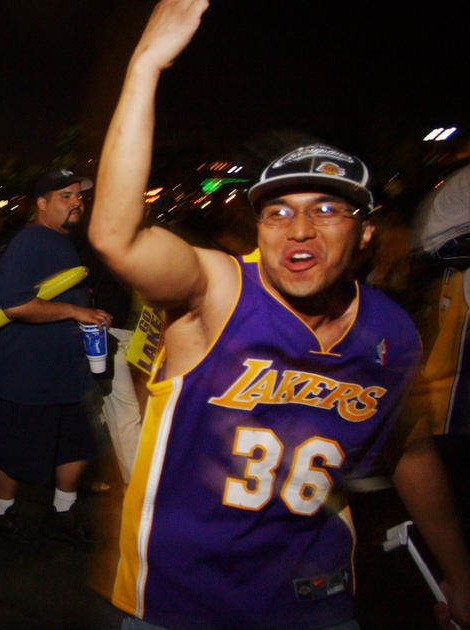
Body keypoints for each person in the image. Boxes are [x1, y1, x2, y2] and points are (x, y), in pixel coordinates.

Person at [87, 1, 470, 627]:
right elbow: (117, 237)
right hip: (180, 600)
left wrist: (458, 571)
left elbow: (411, 452)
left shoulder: (391, 334)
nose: (300, 229)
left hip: (311, 598)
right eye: (278, 211)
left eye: (326, 209)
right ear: (258, 227)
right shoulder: (219, 291)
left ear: (365, 233)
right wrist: (147, 64)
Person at [0, 168, 112, 545]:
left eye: (78, 195)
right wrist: (76, 313)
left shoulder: (63, 241)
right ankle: (2, 515)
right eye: (65, 196)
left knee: (74, 444)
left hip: (68, 372)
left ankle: (62, 511)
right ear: (41, 204)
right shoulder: (29, 242)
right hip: (28, 375)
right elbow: (15, 305)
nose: (76, 202)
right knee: (15, 451)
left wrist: (88, 311)